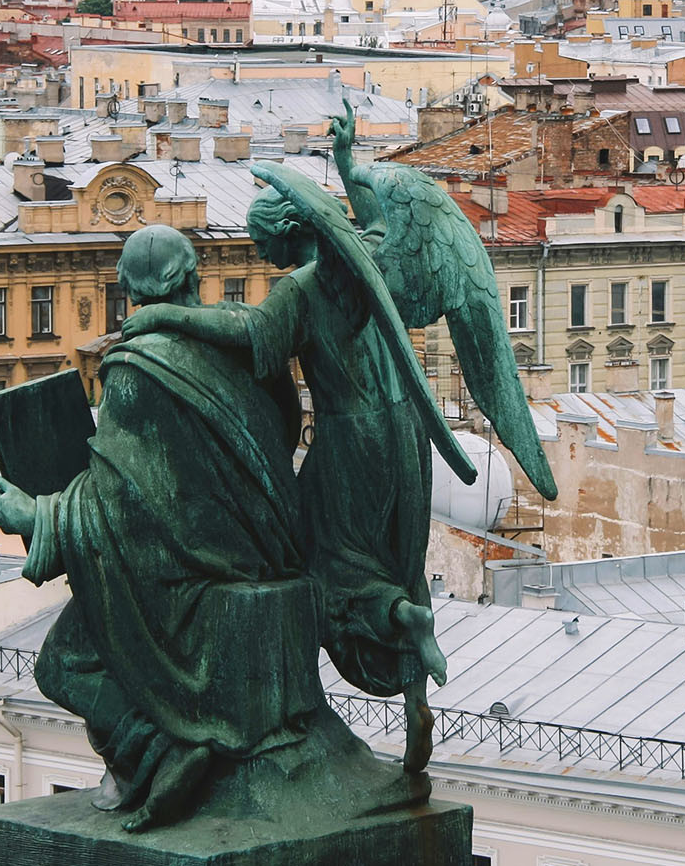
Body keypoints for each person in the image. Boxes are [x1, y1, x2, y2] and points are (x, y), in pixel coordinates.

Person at [0, 225, 316, 830]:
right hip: (261, 551)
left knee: (63, 662)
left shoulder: (137, 367)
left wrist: (37, 516)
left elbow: (124, 500)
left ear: (129, 294)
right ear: (193, 277)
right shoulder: (244, 348)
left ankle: (161, 748)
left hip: (184, 576)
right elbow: (277, 439)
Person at [122, 186, 446, 772]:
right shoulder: (365, 263)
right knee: (399, 558)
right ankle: (413, 691)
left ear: (290, 231)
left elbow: (252, 335)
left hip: (351, 439)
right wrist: (351, 168)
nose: (260, 252)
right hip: (407, 434)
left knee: (318, 563)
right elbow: (376, 216)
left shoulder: (301, 287)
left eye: (263, 240)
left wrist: (161, 315)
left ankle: (392, 620)